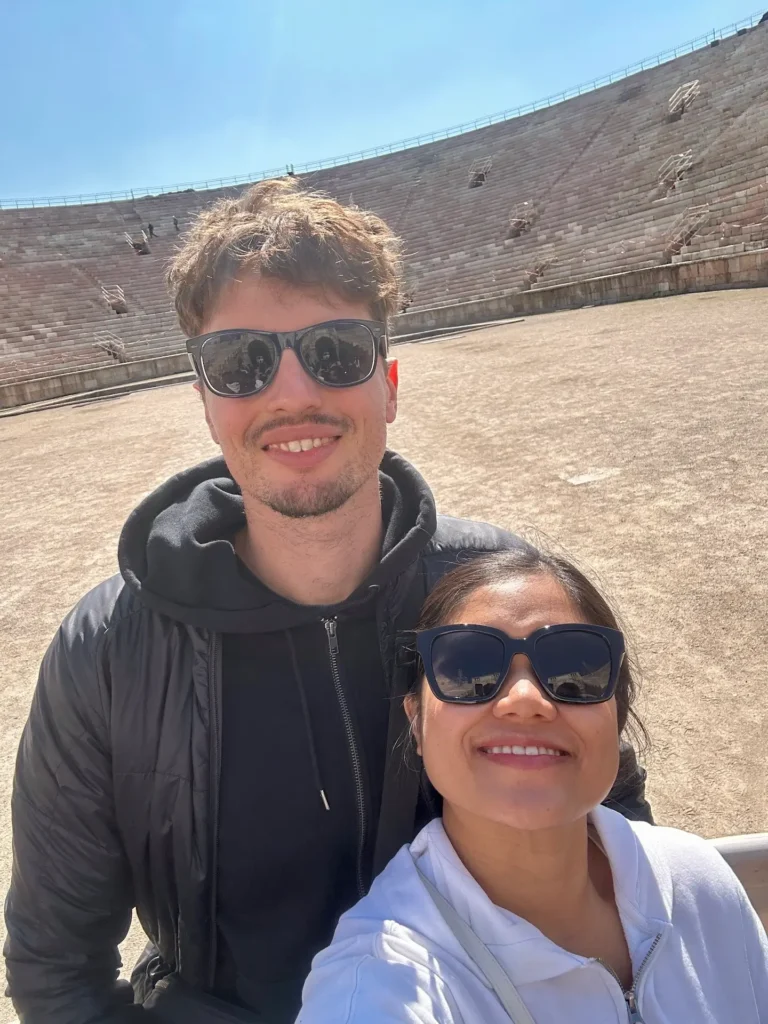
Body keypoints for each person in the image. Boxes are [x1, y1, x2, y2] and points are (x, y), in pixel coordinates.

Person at [4, 180, 651, 1024]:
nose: (292, 393)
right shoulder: (107, 651)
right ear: (205, 400)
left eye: (335, 351)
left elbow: (617, 829)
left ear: (387, 383)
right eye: (242, 362)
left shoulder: (504, 590)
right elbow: (56, 965)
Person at [299, 548, 768, 1023]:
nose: (524, 700)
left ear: (615, 719)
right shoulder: (375, 987)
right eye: (468, 668)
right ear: (416, 723)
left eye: (573, 669)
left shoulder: (700, 885)